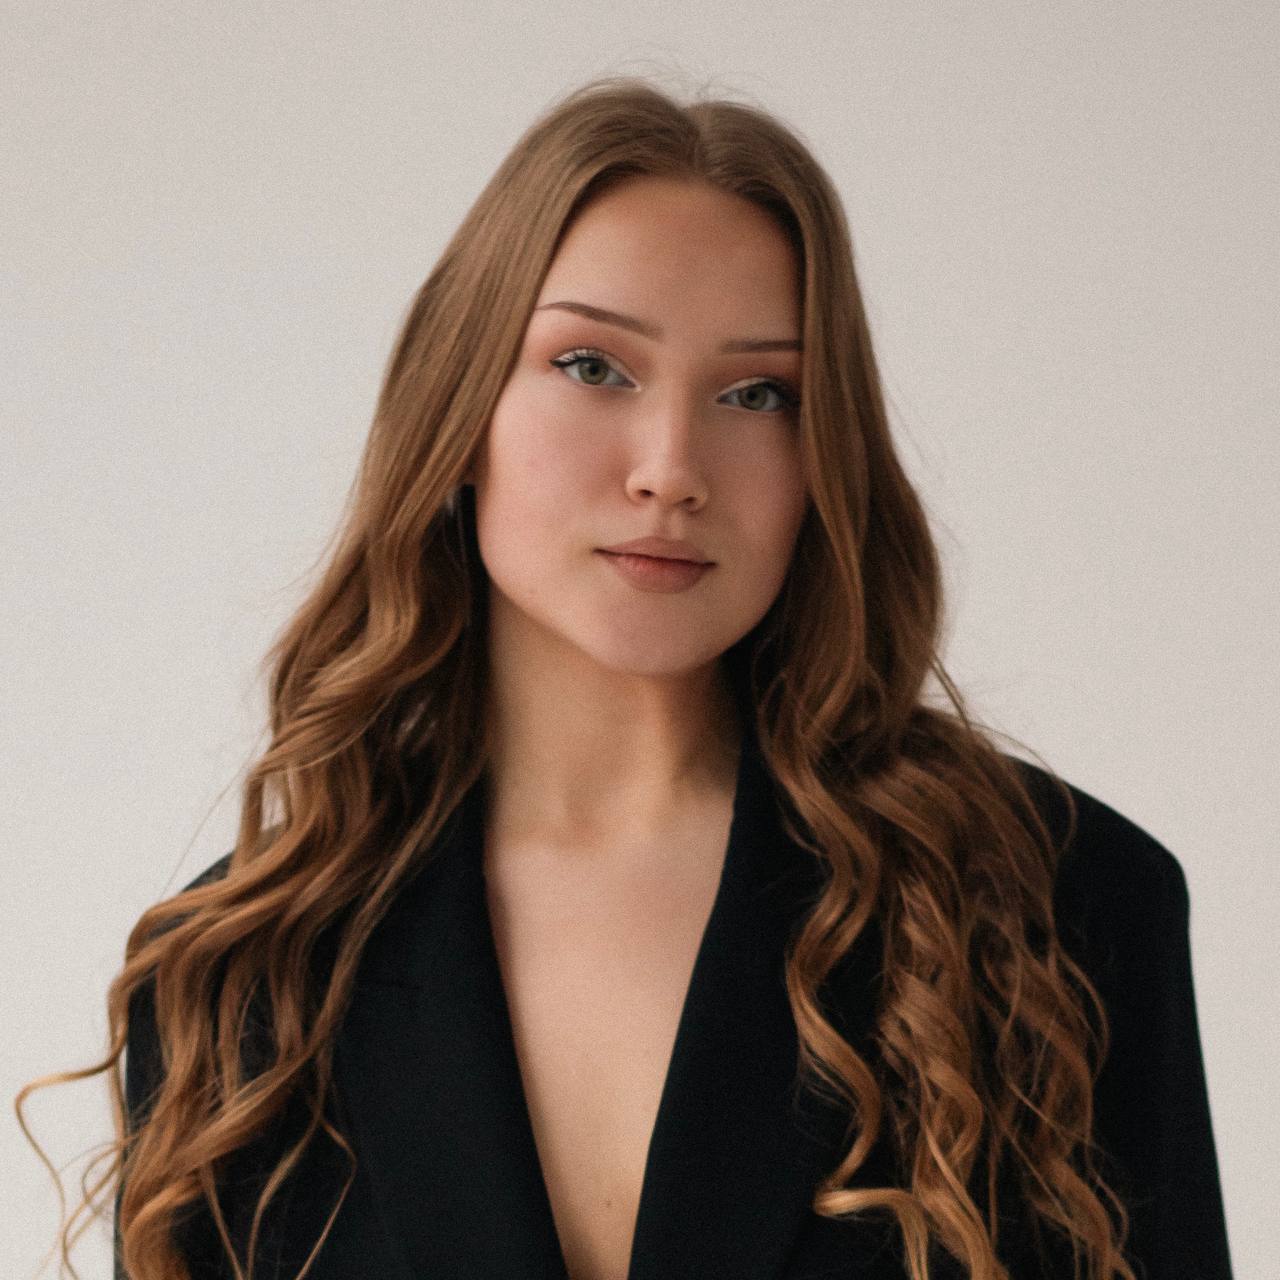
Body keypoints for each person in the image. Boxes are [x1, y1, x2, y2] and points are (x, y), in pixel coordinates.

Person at [17, 75, 1232, 1280]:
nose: (670, 467)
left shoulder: (1057, 904)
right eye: (593, 366)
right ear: (459, 406)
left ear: (824, 455)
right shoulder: (240, 973)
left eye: (758, 393)